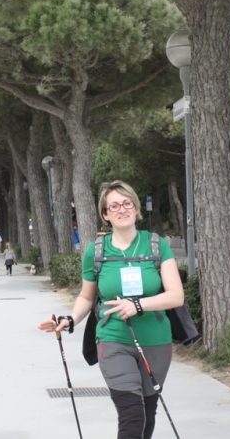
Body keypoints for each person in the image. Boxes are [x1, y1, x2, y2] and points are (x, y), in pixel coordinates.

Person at [39, 180, 184, 439]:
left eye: (127, 203)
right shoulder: (96, 252)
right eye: (114, 206)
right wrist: (70, 319)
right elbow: (87, 295)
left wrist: (138, 305)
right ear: (105, 214)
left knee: (147, 415)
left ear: (136, 207)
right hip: (113, 339)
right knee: (132, 414)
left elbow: (176, 296)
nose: (122, 209)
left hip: (156, 341)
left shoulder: (156, 245)